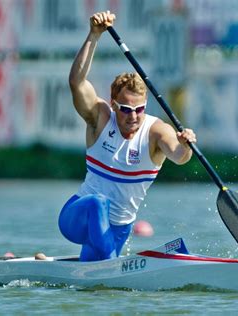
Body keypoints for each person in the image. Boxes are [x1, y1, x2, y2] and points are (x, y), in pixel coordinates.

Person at [58, 11, 197, 262]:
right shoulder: (99, 119)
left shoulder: (157, 131)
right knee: (98, 203)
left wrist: (186, 145)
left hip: (119, 229)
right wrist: (94, 36)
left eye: (139, 109)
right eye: (126, 109)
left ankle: (60, 263)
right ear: (113, 106)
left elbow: (179, 157)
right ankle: (109, 262)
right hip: (78, 216)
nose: (133, 116)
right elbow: (76, 82)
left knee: (96, 277)